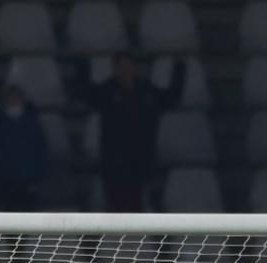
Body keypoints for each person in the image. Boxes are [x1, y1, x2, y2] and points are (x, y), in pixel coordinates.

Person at [73, 52, 185, 212]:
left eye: (128, 65)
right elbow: (84, 92)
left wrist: (179, 67)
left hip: (141, 162)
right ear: (114, 69)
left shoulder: (147, 91)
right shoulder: (108, 90)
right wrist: (82, 64)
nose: (125, 70)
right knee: (116, 209)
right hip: (114, 165)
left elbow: (171, 97)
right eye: (120, 66)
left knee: (137, 210)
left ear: (135, 68)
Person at [0, 84, 49, 211]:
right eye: (10, 97)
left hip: (28, 176)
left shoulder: (31, 121)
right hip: (7, 178)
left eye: (16, 97)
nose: (13, 100)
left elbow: (40, 148)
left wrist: (38, 174)